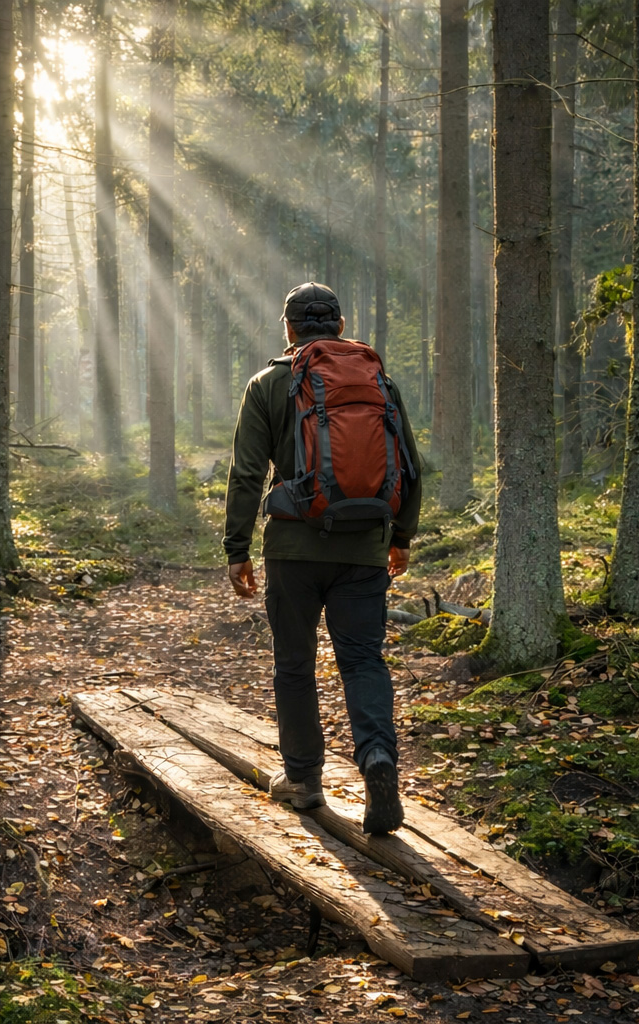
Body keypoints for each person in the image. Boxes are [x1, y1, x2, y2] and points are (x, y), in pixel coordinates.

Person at [223, 282, 423, 835]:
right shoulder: (379, 382)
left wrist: (236, 548)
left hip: (292, 550)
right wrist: (400, 537)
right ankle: (378, 762)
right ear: (339, 324)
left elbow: (246, 474)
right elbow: (409, 466)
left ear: (288, 328)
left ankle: (305, 782)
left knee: (295, 664)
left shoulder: (267, 384)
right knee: (363, 661)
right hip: (364, 550)